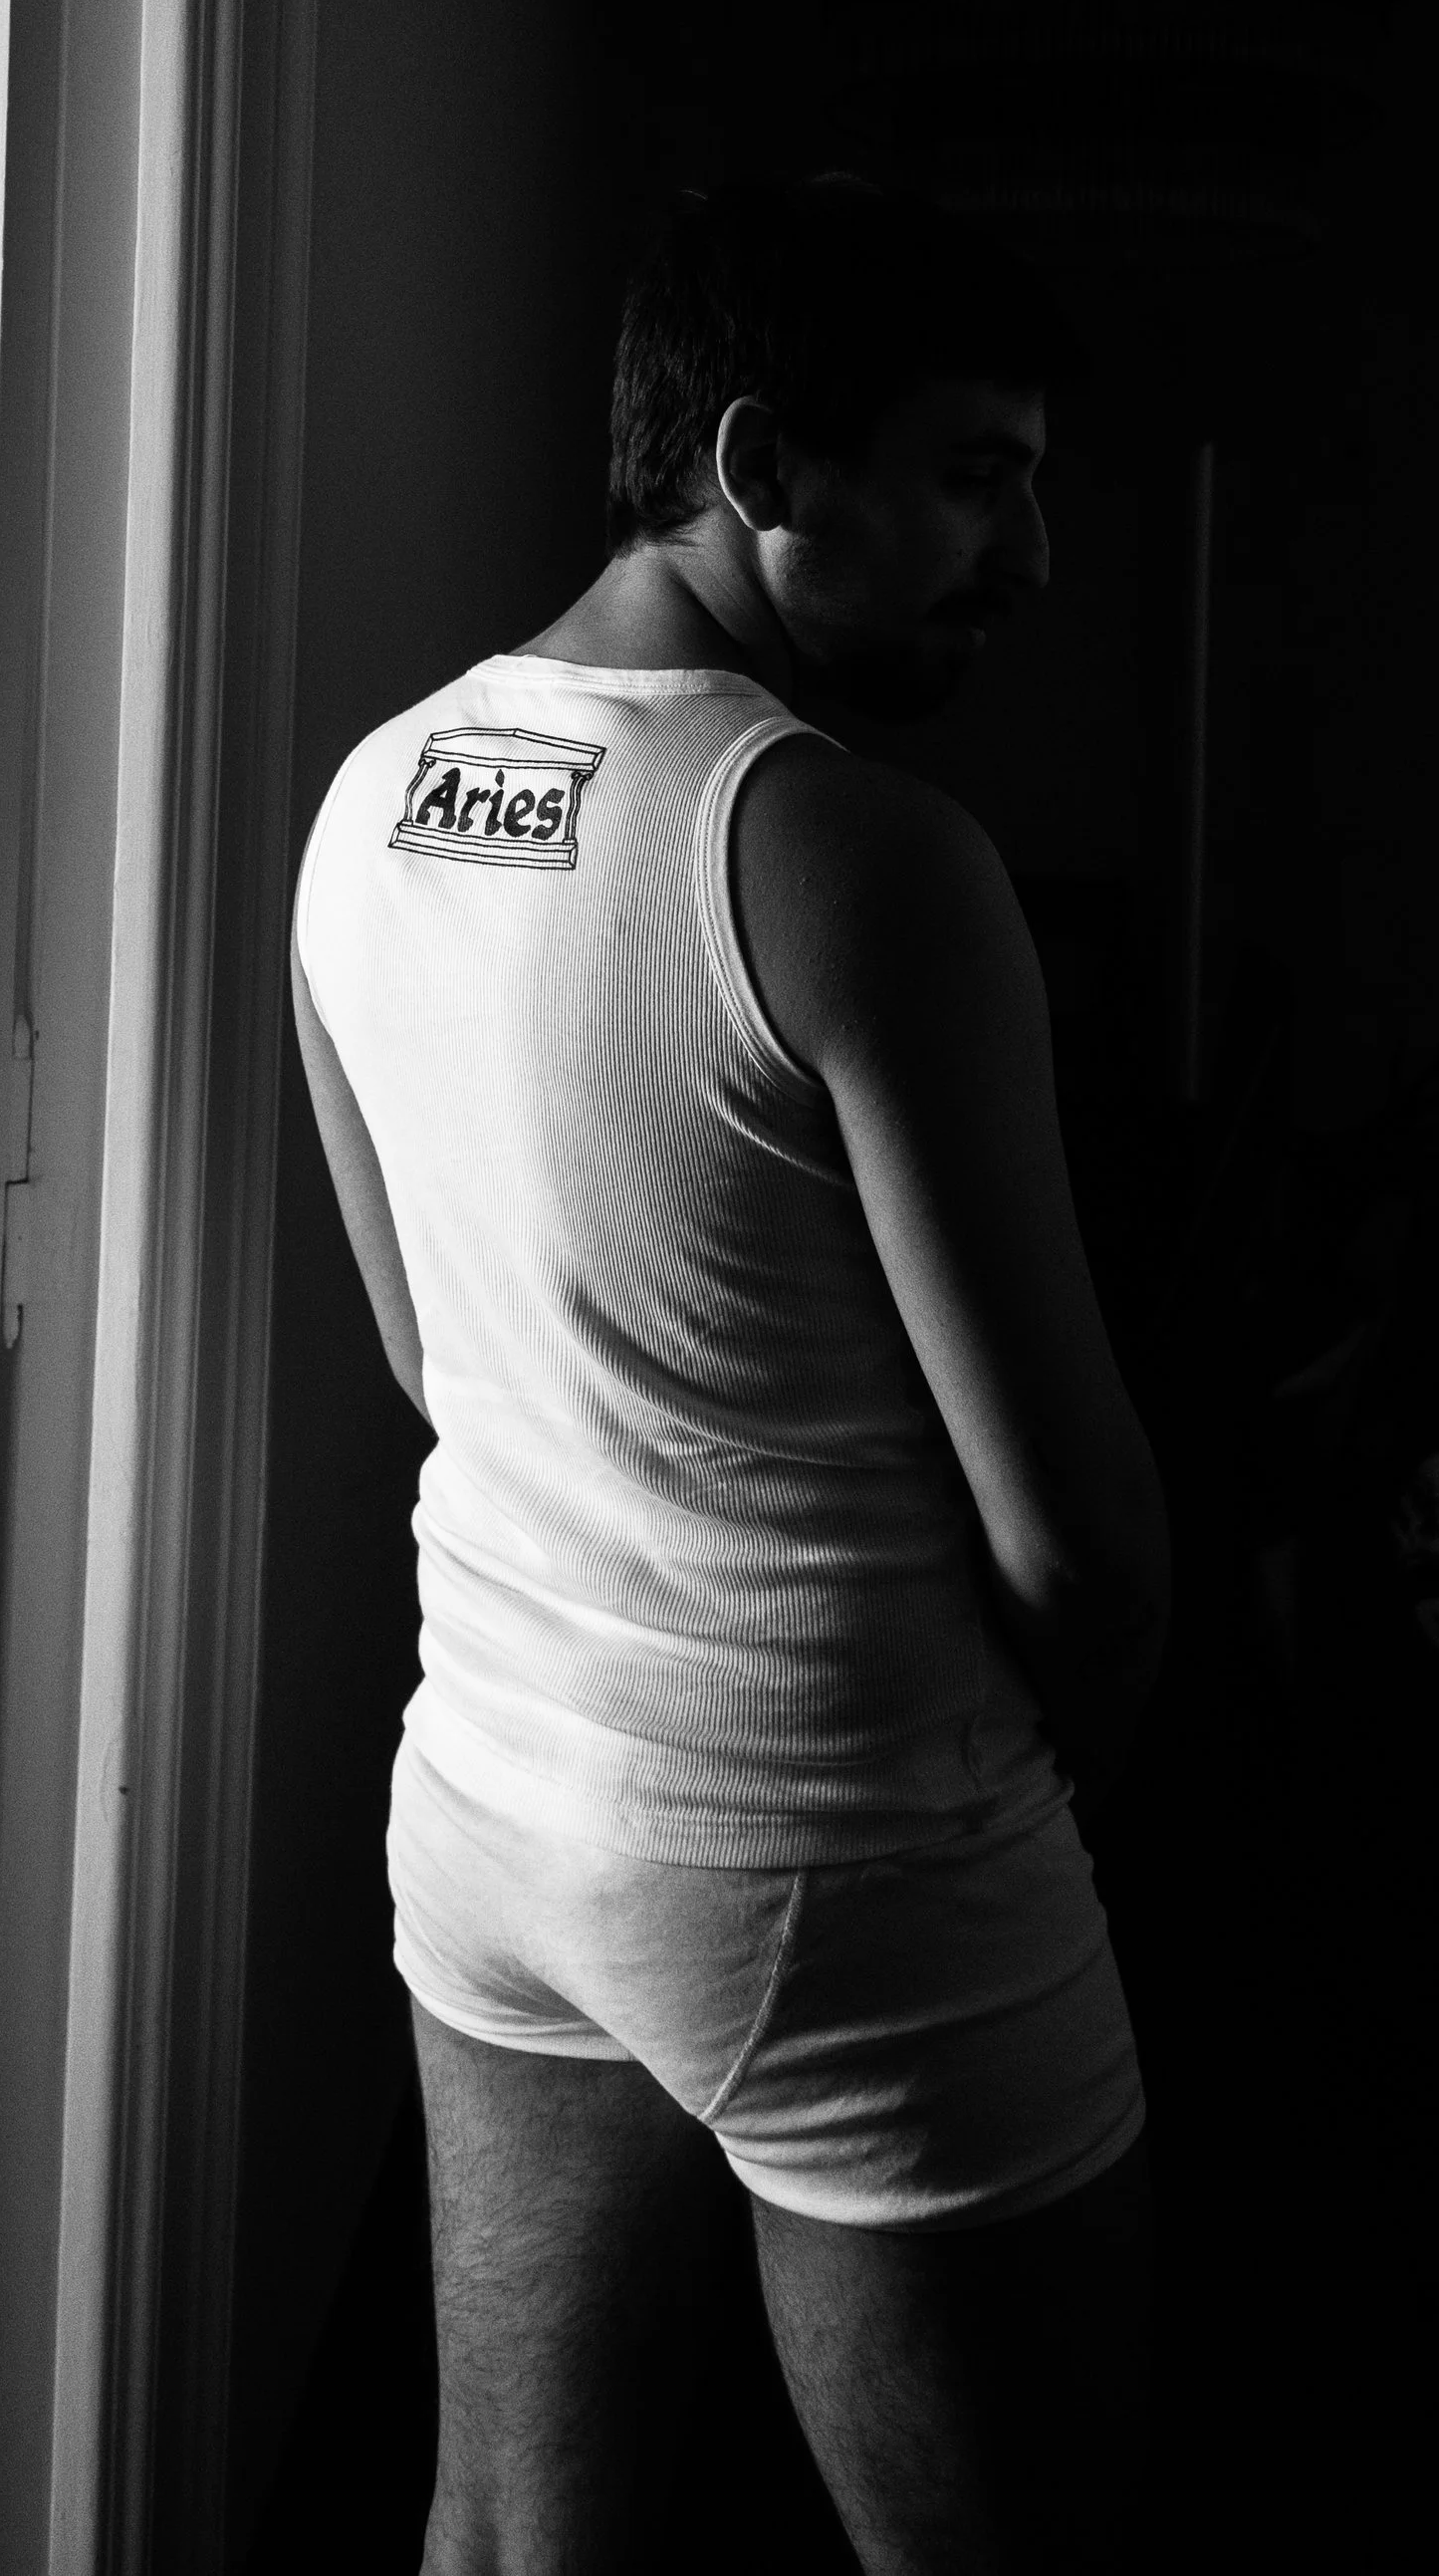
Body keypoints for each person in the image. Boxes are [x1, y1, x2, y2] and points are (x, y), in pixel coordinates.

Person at [292, 176, 1169, 2574]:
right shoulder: (850, 852)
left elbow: (423, 1346)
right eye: (982, 473)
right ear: (764, 464)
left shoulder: (369, 804)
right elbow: (1077, 1538)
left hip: (492, 1801)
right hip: (843, 1838)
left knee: (500, 2529)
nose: (1040, 555)